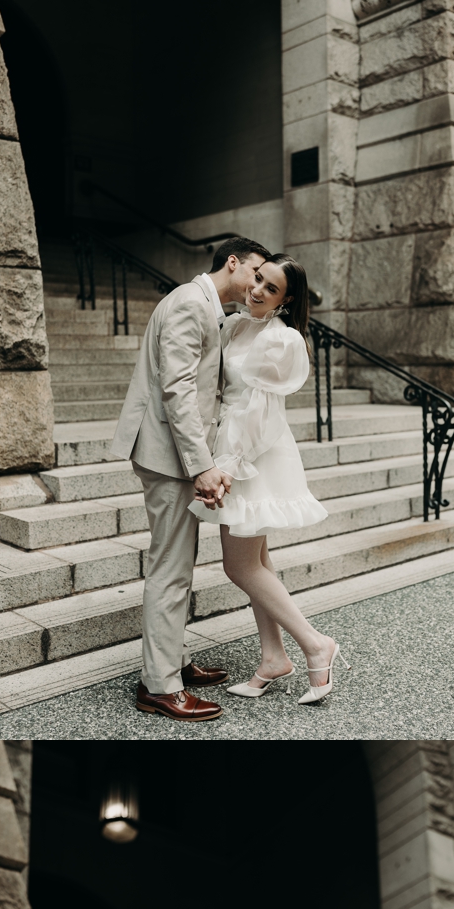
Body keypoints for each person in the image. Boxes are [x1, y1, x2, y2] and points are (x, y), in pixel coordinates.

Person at [110, 237, 270, 723]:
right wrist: (202, 466)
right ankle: (159, 686)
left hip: (176, 453)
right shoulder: (188, 304)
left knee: (177, 563)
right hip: (167, 456)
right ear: (233, 262)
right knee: (171, 568)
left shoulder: (205, 306)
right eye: (257, 273)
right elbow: (177, 391)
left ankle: (173, 661)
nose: (258, 284)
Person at [189, 256, 347, 704]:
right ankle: (273, 657)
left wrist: (228, 467)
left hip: (251, 454)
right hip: (234, 448)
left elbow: (256, 413)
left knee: (238, 565)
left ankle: (316, 644)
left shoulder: (281, 339)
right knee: (257, 562)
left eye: (271, 288)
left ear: (287, 299)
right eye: (258, 279)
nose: (257, 289)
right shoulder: (238, 325)